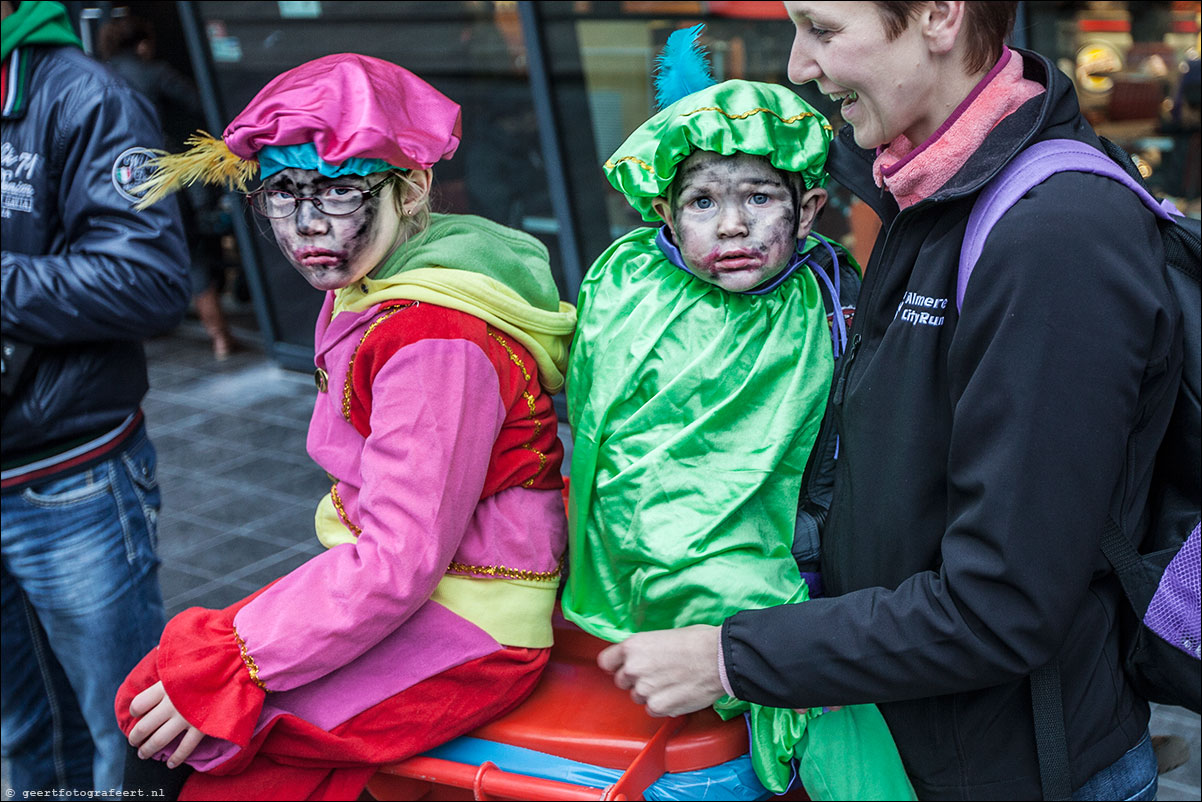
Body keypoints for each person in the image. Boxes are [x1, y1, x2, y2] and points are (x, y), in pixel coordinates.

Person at [597, 3, 1183, 800]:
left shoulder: (1055, 236)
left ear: (939, 14)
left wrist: (729, 657)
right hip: (906, 748)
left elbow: (1000, 607)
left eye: (823, 29)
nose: (799, 65)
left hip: (1015, 774)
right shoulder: (923, 186)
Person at [114, 52, 576, 801]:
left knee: (198, 742)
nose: (306, 226)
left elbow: (401, 558)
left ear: (415, 185)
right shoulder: (373, 276)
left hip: (472, 623)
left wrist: (244, 657)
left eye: (337, 190)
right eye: (281, 193)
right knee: (163, 702)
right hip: (416, 588)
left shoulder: (434, 335)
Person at [564, 27, 912, 800]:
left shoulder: (829, 290)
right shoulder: (636, 298)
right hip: (686, 577)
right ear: (662, 210)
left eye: (757, 197)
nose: (731, 225)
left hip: (818, 563)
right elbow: (633, 466)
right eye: (702, 201)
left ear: (809, 205)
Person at [1, 0, 190, 797]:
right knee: (27, 735)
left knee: (132, 736)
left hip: (71, 480)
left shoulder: (85, 95)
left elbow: (150, 278)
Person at [98, 12, 242, 359]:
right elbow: (201, 101)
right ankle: (220, 337)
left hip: (108, 179)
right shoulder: (153, 72)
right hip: (156, 173)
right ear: (143, 44)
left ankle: (138, 330)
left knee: (124, 253)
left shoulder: (96, 77)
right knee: (191, 253)